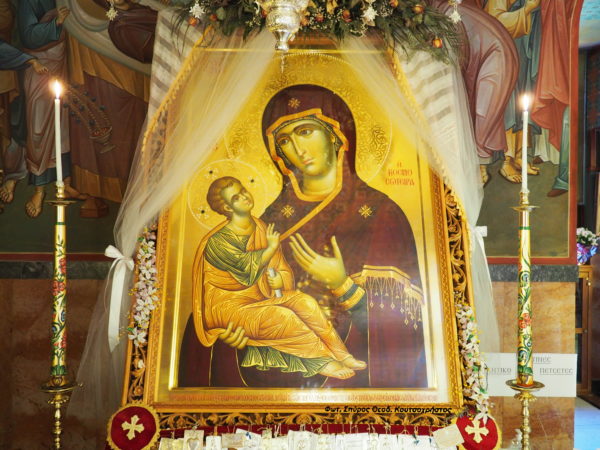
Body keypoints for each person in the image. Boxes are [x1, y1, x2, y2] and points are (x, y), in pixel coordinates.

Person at [179, 85, 427, 389]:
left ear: (336, 133)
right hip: (263, 376)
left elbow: (406, 326)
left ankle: (335, 357)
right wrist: (225, 335)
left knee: (305, 307)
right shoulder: (267, 221)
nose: (297, 148)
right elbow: (222, 294)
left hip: (354, 388)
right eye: (284, 140)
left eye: (306, 131)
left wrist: (342, 285)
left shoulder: (381, 214)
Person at [193, 176, 366, 380]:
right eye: (236, 197)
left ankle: (342, 354)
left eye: (243, 190)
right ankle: (324, 360)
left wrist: (279, 281)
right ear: (227, 207)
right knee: (284, 317)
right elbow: (246, 271)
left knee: (306, 302)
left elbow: (279, 267)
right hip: (229, 308)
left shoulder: (260, 227)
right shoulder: (218, 241)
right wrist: (270, 249)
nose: (245, 196)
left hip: (259, 300)